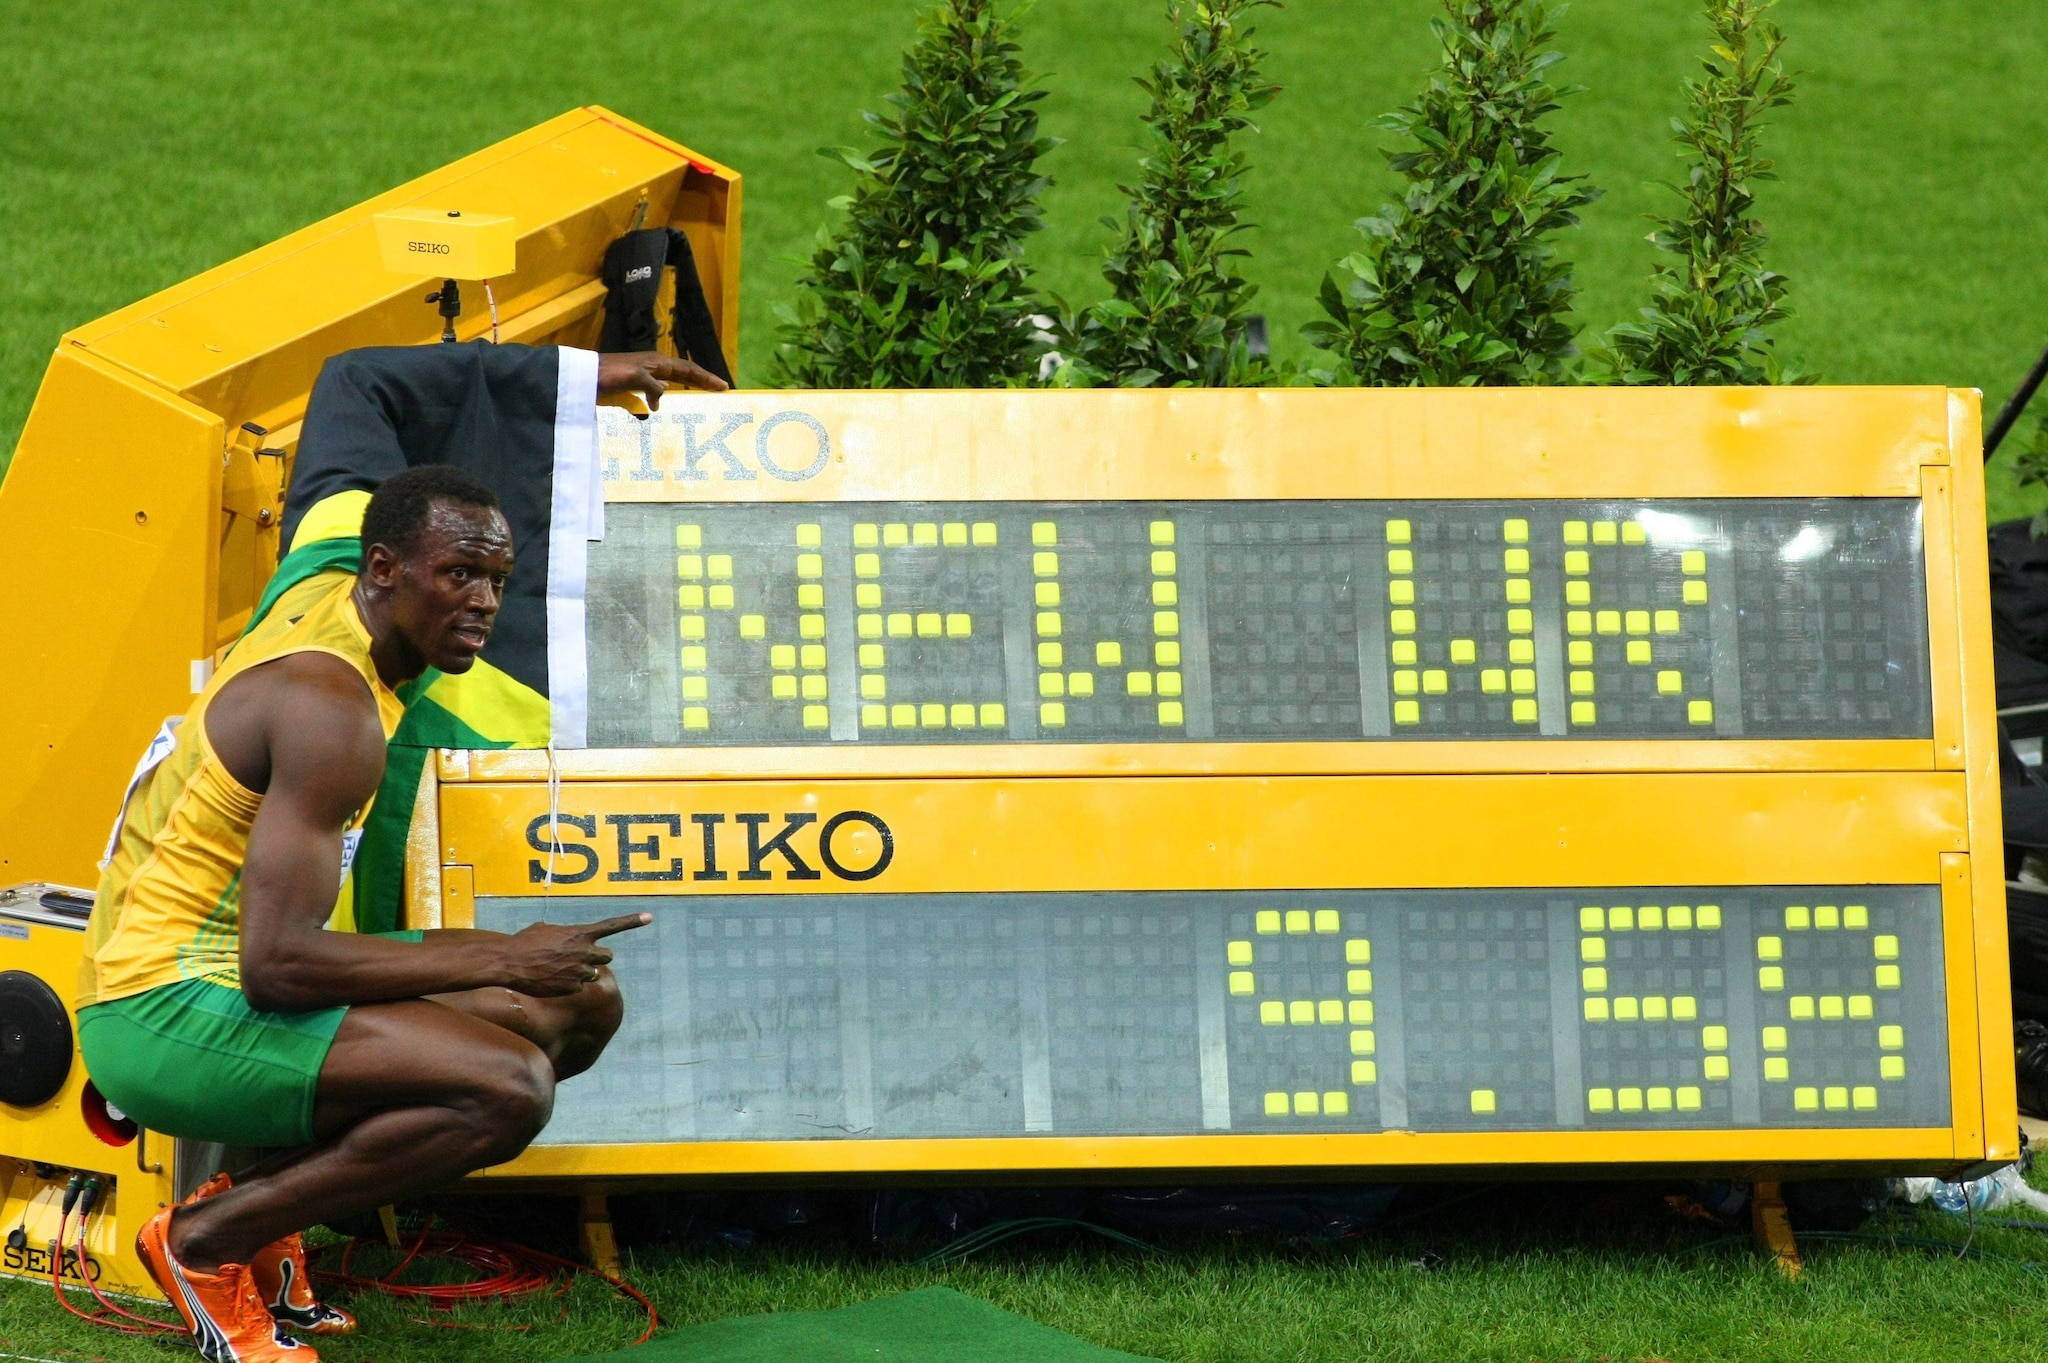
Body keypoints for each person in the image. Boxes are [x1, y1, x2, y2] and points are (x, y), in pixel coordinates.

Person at [75, 352, 724, 1363]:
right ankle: (204, 1242)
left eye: (497, 580)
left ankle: (262, 1215)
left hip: (222, 980)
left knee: (576, 1004)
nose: (481, 603)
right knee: (505, 1085)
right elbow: (277, 965)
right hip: (155, 1007)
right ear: (384, 571)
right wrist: (503, 956)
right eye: (457, 574)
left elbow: (351, 391)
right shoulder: (332, 713)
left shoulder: (341, 568)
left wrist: (580, 373)